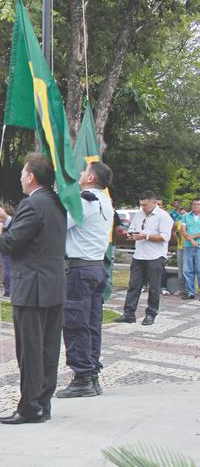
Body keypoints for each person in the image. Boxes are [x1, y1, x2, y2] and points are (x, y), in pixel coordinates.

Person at [0, 153, 67, 425]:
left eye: (22, 173)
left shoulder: (33, 203)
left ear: (31, 176)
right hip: (51, 286)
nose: (20, 177)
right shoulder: (53, 201)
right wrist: (8, 219)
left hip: (32, 288)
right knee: (48, 349)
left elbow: (13, 243)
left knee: (30, 351)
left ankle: (30, 407)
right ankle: (42, 403)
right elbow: (33, 233)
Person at [55, 161, 114, 398]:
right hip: (95, 267)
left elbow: (62, 225)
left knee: (75, 323)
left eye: (84, 171)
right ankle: (91, 373)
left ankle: (82, 376)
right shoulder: (104, 201)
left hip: (80, 269)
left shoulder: (86, 200)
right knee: (91, 324)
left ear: (91, 178)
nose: (80, 173)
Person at [115, 190, 173, 325]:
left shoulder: (164, 216)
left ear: (154, 202)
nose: (143, 208)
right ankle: (129, 313)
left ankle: (151, 314)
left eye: (145, 205)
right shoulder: (139, 214)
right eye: (141, 205)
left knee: (154, 287)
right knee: (134, 285)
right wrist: (131, 234)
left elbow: (165, 237)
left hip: (155, 256)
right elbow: (132, 228)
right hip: (139, 255)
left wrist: (145, 236)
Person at [181, 198, 200, 299]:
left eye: (198, 204)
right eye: (194, 204)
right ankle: (190, 292)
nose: (196, 206)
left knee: (199, 269)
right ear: (192, 205)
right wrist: (191, 240)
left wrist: (193, 238)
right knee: (187, 270)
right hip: (188, 246)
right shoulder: (185, 216)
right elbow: (183, 231)